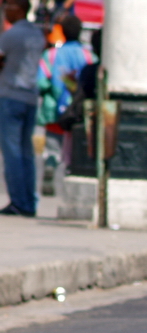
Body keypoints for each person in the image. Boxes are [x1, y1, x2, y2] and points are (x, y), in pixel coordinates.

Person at [0, 0, 47, 216]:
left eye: (9, 5)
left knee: (12, 153)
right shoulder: (36, 34)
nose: (6, 9)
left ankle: (18, 201)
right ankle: (29, 201)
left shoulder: (11, 35)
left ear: (19, 8)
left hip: (11, 95)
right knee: (26, 153)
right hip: (30, 97)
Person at [36, 14, 94, 196]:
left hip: (55, 112)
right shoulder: (88, 56)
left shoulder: (51, 55)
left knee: (53, 146)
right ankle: (71, 175)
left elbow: (40, 82)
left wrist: (52, 89)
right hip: (78, 112)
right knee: (76, 148)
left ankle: (51, 165)